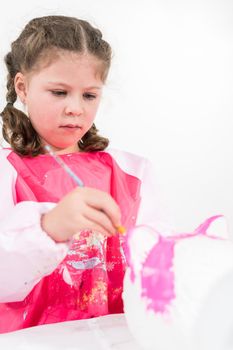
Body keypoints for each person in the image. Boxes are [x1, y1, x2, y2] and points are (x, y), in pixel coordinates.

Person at [0, 15, 164, 333]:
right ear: (23, 87)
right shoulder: (6, 171)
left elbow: (154, 269)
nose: (76, 108)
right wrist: (50, 227)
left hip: (116, 338)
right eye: (59, 92)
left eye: (89, 95)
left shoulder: (133, 172)